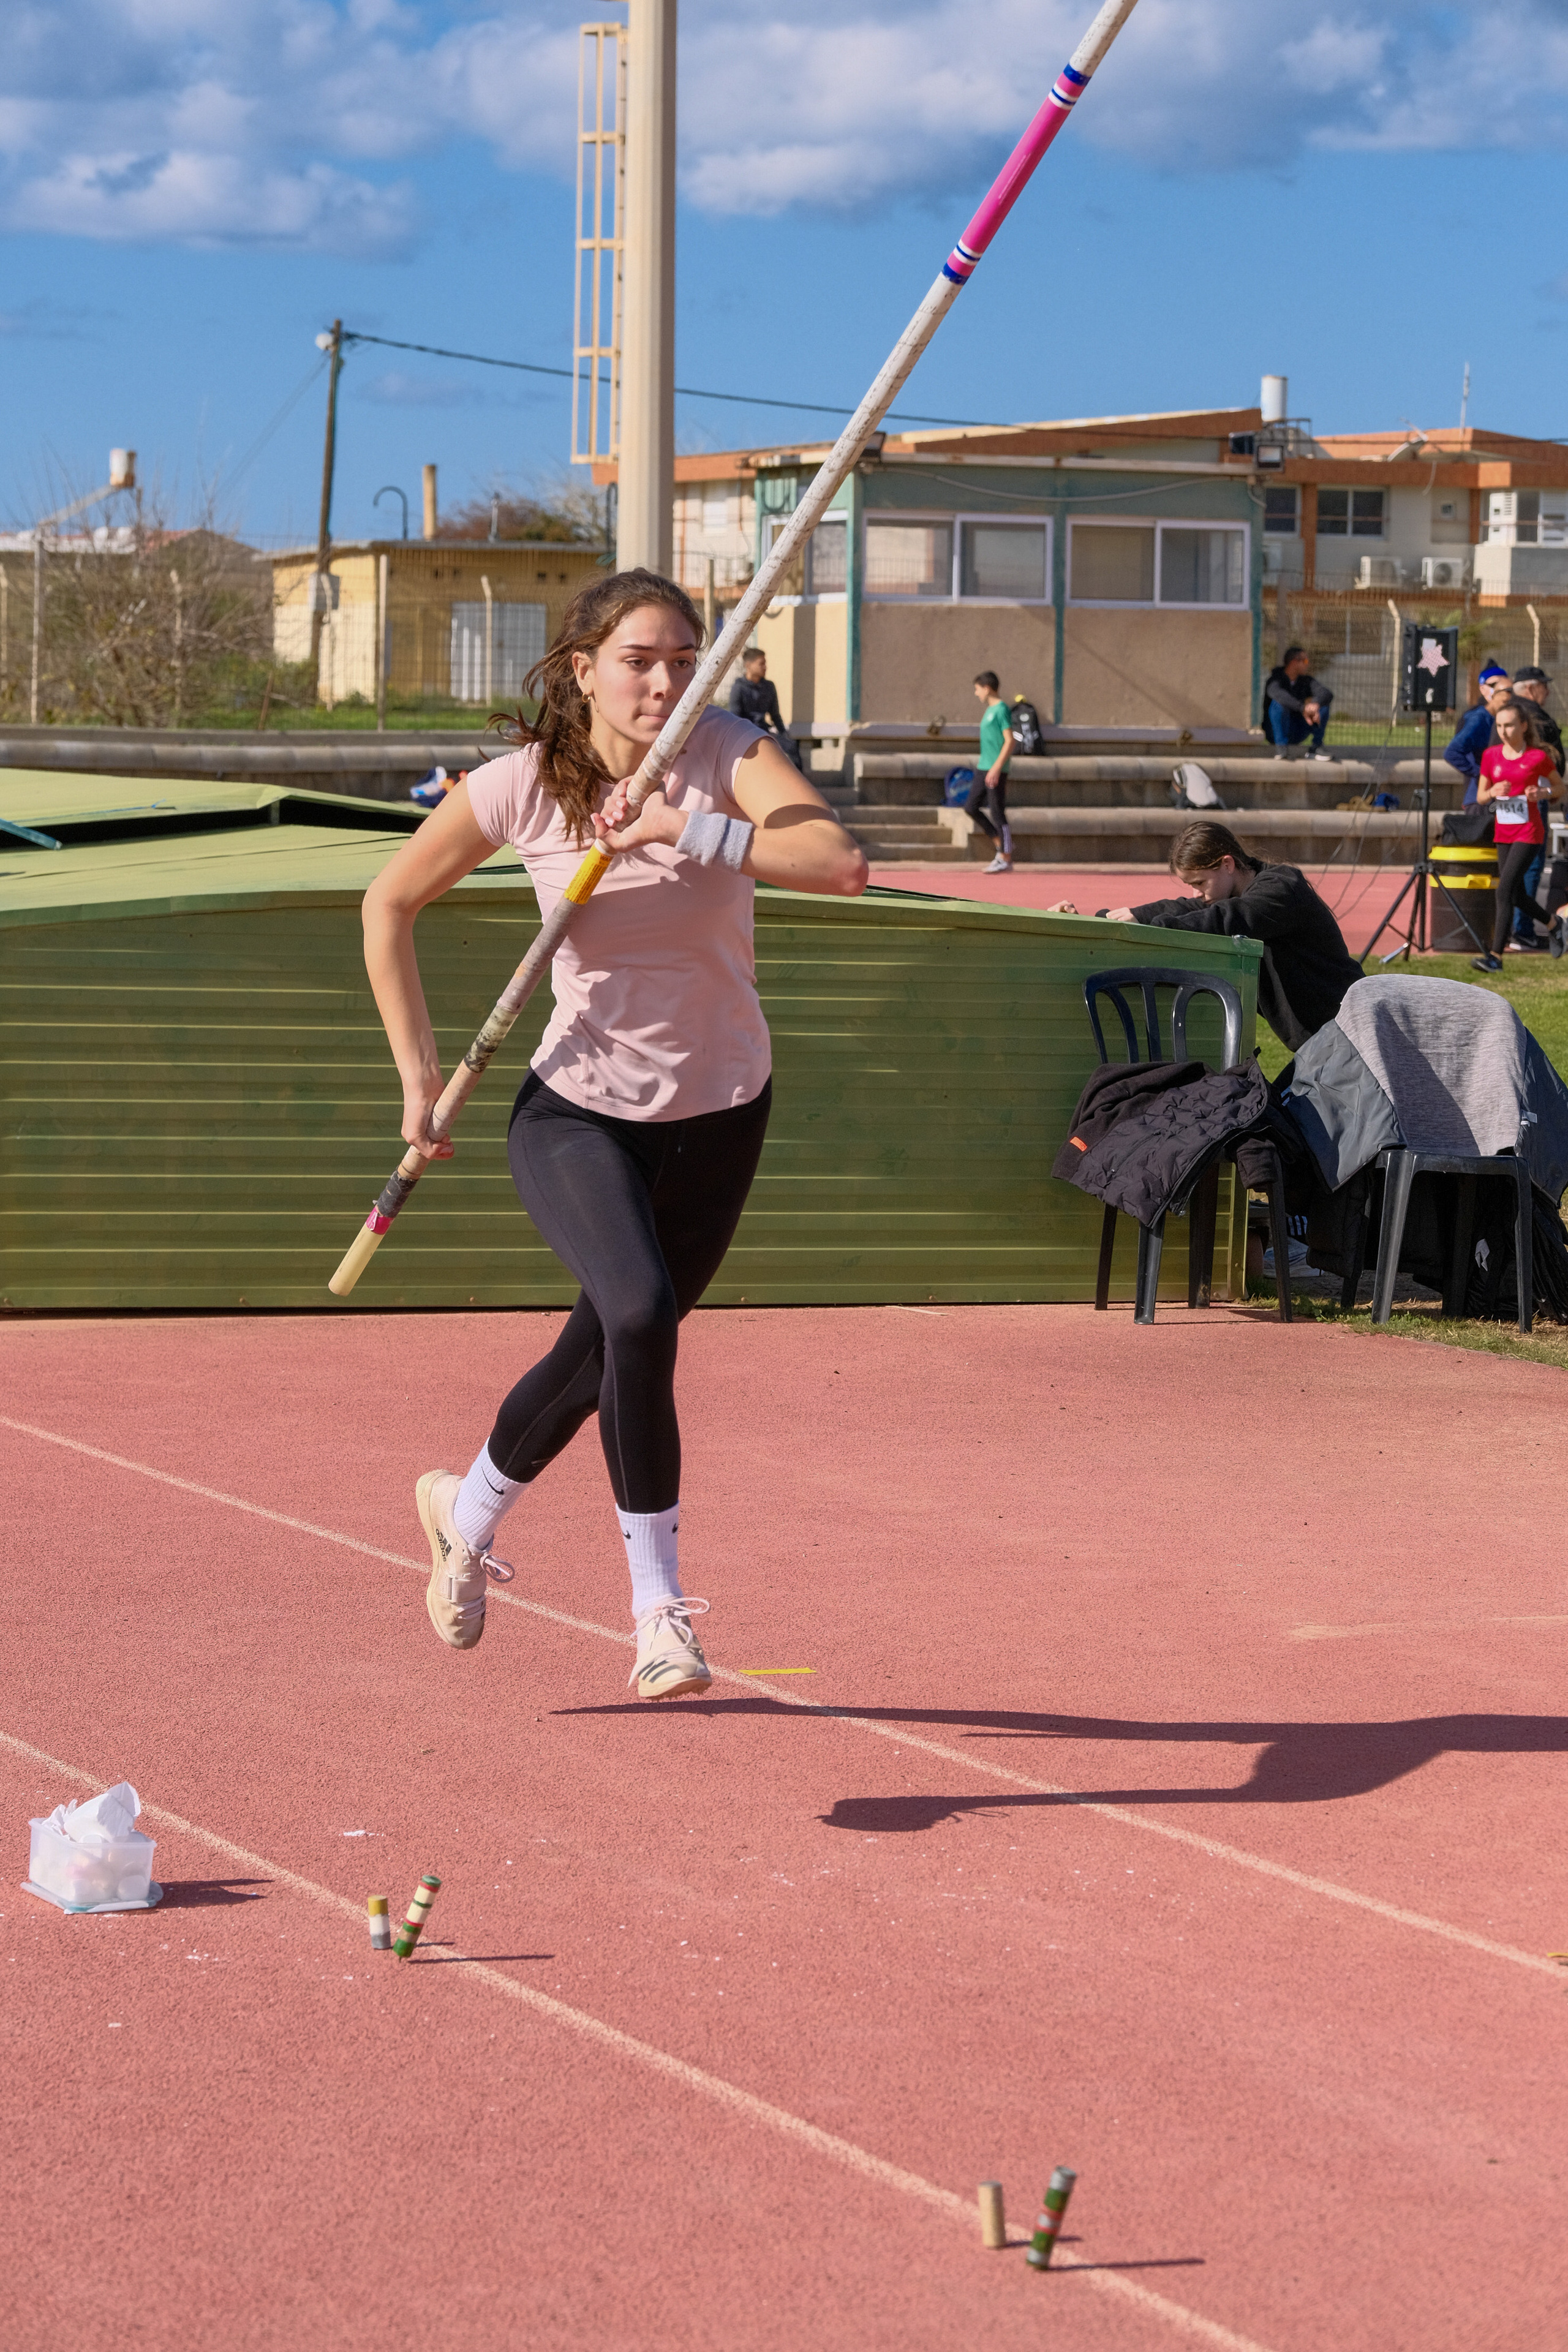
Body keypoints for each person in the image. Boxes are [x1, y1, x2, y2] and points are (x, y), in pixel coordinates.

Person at [360, 569, 867, 1698]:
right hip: (578, 1109)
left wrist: (687, 828)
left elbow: (838, 864)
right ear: (583, 668)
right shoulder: (521, 789)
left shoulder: (726, 754)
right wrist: (419, 1079)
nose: (665, 682)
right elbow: (386, 903)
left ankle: (466, 1510)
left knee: (603, 1352)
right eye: (640, 660)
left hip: (724, 1110)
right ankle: (660, 1616)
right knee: (638, 1315)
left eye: (684, 660)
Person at [1048, 820, 1364, 1047]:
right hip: (1324, 1038)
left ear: (1227, 864)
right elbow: (1184, 908)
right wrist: (1118, 920)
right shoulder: (1233, 893)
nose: (1198, 894)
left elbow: (1226, 920)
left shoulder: (1280, 888)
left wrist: (1149, 929)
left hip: (1355, 1027)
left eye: (1200, 883)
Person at [1471, 695, 1560, 971]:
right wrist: (1493, 792)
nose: (1504, 732)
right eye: (1499, 726)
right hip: (1504, 832)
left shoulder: (1538, 757)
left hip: (1529, 832)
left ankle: (1495, 957)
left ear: (1523, 726)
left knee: (1504, 890)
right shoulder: (1491, 756)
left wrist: (1542, 792)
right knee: (1517, 895)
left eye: (1509, 726)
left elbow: (1560, 789)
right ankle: (1555, 924)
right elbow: (1481, 796)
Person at [1508, 667, 1563, 946]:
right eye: (1544, 686)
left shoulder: (1507, 714)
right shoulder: (1532, 717)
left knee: (1513, 868)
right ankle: (1523, 930)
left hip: (1511, 799)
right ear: (1530, 688)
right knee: (1530, 865)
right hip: (1531, 797)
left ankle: (1513, 931)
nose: (1548, 692)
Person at [1443, 662, 1513, 805]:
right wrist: (1482, 774)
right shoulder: (1479, 718)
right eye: (1505, 700)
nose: (1508, 704)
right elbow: (1452, 752)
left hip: (1501, 795)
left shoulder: (1504, 717)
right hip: (1480, 799)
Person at [969, 670, 1016, 875]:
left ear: (987, 688)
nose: (976, 694)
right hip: (983, 767)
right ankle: (1000, 846)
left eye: (977, 689)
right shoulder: (989, 710)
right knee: (971, 806)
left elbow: (1010, 740)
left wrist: (997, 768)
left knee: (997, 811)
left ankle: (1005, 857)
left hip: (995, 769)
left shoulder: (1001, 709)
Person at [728, 647, 802, 769]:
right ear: (749, 666)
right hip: (746, 733)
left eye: (765, 663)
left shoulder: (769, 687)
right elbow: (735, 717)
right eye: (761, 664)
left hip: (764, 731)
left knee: (791, 747)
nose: (765, 667)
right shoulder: (739, 688)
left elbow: (775, 715)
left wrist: (784, 735)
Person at [1262, 647, 1333, 758]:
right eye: (1305, 661)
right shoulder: (1275, 680)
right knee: (1278, 705)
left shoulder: (1306, 681)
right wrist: (1303, 708)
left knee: (1323, 707)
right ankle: (1281, 749)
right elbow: (1278, 694)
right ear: (1294, 662)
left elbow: (1326, 693)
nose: (1308, 664)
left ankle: (1316, 747)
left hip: (1298, 731)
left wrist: (1315, 704)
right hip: (1275, 732)